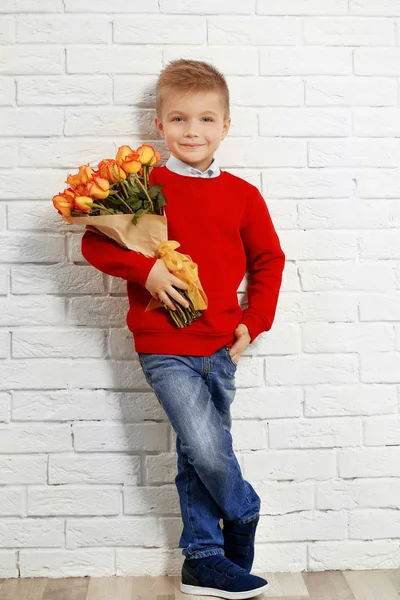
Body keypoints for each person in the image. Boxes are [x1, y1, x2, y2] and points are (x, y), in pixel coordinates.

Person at [81, 59, 285, 599]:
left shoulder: (242, 194)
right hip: (164, 345)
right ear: (158, 125)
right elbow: (95, 241)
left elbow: (269, 259)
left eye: (205, 120)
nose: (192, 131)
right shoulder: (144, 186)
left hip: (221, 345)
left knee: (198, 454)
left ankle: (202, 560)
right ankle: (243, 510)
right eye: (178, 120)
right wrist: (145, 269)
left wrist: (254, 322)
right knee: (204, 443)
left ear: (225, 125)